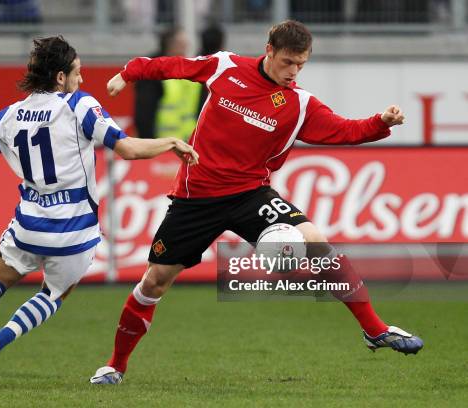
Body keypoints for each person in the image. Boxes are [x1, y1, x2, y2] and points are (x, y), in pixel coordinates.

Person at [90, 20, 424, 385]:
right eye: (287, 62)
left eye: (300, 65)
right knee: (154, 282)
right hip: (196, 196)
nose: (292, 72)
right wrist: (130, 73)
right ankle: (115, 365)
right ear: (268, 51)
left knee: (315, 241)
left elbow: (343, 129)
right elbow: (173, 66)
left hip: (251, 194)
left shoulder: (299, 104)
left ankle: (374, 329)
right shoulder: (226, 67)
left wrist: (380, 122)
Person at [0, 35, 198, 387]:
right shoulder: (78, 105)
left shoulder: (10, 116)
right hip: (74, 232)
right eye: (77, 73)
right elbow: (128, 149)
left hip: (29, 226)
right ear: (59, 77)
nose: (81, 80)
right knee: (54, 294)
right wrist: (171, 142)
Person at [133, 27, 201, 141]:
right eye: (183, 44)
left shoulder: (188, 69)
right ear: (172, 45)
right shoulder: (151, 72)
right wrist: (148, 145)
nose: (186, 48)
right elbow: (144, 113)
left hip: (188, 145)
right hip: (161, 145)